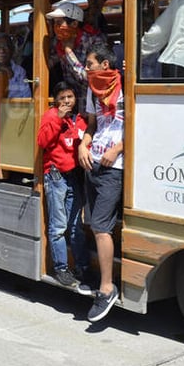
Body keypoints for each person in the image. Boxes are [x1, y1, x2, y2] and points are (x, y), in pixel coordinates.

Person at [77, 42, 124, 323]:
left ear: (105, 65)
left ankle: (107, 288)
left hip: (113, 165)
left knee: (101, 226)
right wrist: (84, 145)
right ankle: (99, 280)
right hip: (92, 162)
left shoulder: (125, 87)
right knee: (94, 223)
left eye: (90, 63)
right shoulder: (92, 89)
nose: (86, 68)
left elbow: (136, 125)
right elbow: (93, 125)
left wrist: (117, 149)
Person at [37, 81, 91, 290]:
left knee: (76, 224)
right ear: (55, 100)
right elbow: (42, 142)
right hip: (56, 176)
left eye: (69, 97)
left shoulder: (79, 119)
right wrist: (58, 119)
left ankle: (83, 266)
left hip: (74, 176)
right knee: (58, 227)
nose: (66, 101)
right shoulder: (51, 115)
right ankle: (61, 268)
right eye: (62, 98)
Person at [46, 1, 107, 112]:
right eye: (54, 23)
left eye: (59, 23)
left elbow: (91, 79)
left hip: (92, 106)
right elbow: (47, 65)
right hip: (70, 105)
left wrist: (69, 53)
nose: (56, 28)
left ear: (74, 24)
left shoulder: (93, 42)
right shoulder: (57, 43)